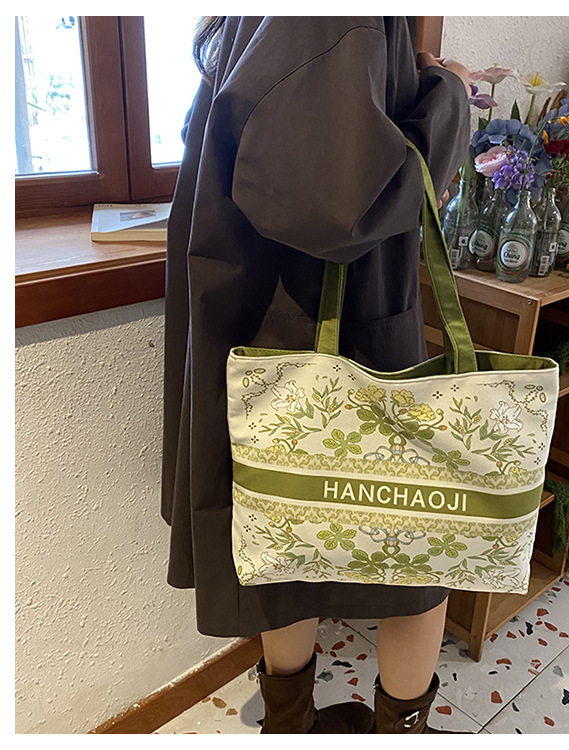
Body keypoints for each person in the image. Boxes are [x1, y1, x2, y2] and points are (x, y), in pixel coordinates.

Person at [161, 16, 471, 734]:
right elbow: (342, 201)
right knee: (419, 549)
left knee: (285, 525)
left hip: (263, 310)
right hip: (340, 308)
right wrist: (448, 94)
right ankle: (394, 733)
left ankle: (290, 723)